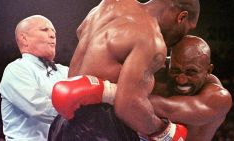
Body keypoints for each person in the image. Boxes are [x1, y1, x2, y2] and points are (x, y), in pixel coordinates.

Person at [49, 0, 200, 140]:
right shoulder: (152, 40)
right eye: (188, 29)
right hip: (102, 128)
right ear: (182, 17)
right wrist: (164, 131)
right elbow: (128, 106)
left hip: (62, 122)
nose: (183, 37)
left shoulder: (107, 5)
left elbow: (80, 30)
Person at [148, 35, 232, 141]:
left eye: (191, 72)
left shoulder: (219, 97)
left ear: (208, 71)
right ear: (169, 62)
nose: (181, 80)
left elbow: (168, 110)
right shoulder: (156, 71)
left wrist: (128, 95)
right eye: (175, 70)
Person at [0, 15, 69, 141]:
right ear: (24, 39)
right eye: (44, 29)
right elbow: (40, 108)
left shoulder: (64, 71)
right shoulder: (16, 69)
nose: (52, 35)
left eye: (54, 32)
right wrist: (81, 115)